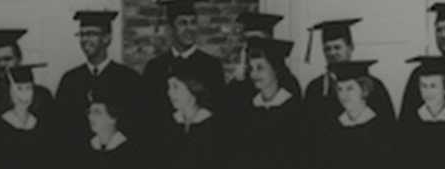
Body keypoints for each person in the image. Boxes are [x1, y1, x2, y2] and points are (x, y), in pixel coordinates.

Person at [57, 11, 146, 155]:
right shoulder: (70, 81)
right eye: (82, 34)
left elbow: (139, 127)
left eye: (91, 34)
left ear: (107, 38)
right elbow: (61, 128)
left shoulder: (129, 79)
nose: (85, 39)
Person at [142, 0, 226, 139]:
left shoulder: (211, 66)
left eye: (193, 22)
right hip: (165, 147)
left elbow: (219, 115)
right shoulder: (155, 68)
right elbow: (148, 116)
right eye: (183, 23)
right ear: (170, 29)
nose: (190, 28)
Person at [230, 38, 309, 168]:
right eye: (251, 68)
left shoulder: (295, 111)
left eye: (260, 68)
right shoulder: (249, 108)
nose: (253, 74)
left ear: (276, 69)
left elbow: (300, 157)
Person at [303, 18, 395, 125]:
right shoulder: (315, 89)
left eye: (337, 47)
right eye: (327, 49)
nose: (332, 53)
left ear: (350, 47)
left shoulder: (373, 87)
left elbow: (388, 129)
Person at [0, 64, 59, 169]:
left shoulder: (42, 124)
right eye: (19, 88)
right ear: (8, 91)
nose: (24, 95)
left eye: (29, 88)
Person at [322, 60, 395, 169]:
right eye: (340, 89)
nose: (344, 95)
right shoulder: (334, 127)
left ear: (364, 90)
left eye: (350, 88)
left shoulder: (381, 128)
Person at [158, 74, 228, 169]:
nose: (169, 93)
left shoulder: (215, 125)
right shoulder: (166, 123)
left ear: (194, 89)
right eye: (169, 87)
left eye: (175, 87)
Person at [72, 95, 149, 169]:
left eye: (97, 112)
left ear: (113, 118)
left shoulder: (130, 153)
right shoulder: (85, 150)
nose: (90, 117)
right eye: (89, 112)